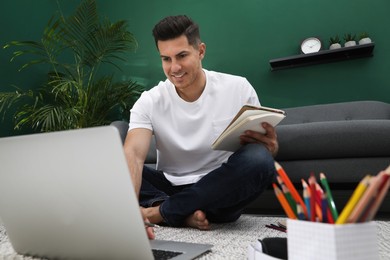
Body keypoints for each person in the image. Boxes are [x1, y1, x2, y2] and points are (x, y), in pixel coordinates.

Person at [124, 15, 278, 233]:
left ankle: (158, 212)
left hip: (218, 190)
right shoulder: (149, 100)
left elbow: (259, 151)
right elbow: (134, 155)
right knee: (114, 161)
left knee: (259, 160)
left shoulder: (238, 88)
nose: (174, 67)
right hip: (169, 186)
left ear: (201, 51)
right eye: (166, 59)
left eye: (182, 56)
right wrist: (129, 212)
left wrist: (269, 147)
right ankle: (178, 211)